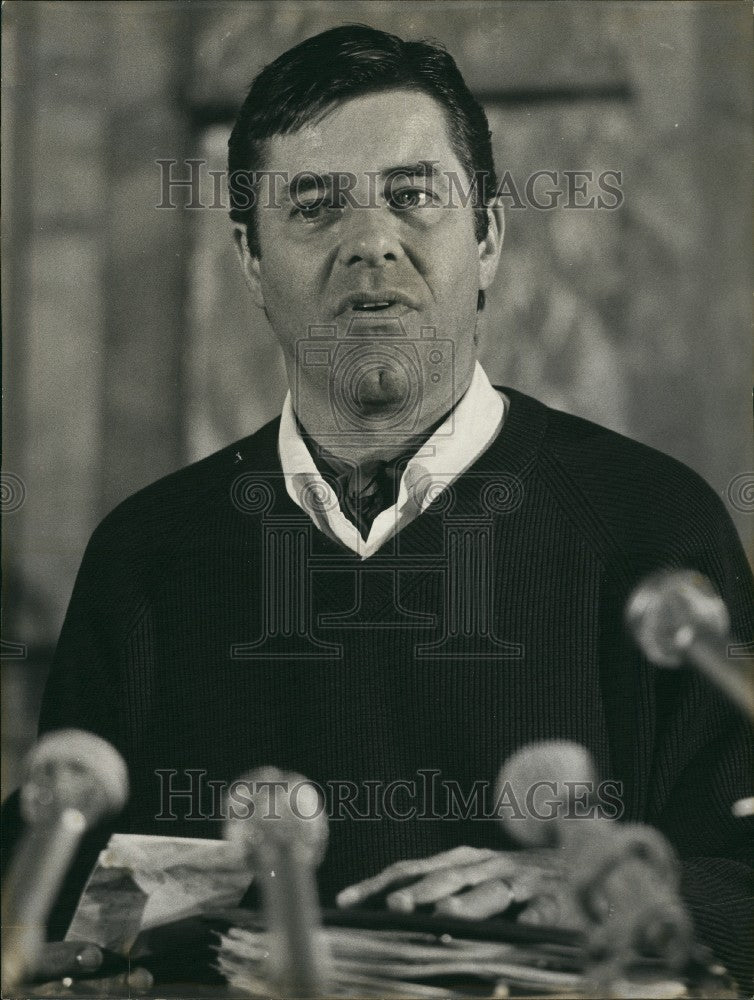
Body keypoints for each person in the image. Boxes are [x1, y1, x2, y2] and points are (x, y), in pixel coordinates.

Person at [5, 24, 752, 989]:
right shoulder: (144, 558)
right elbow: (54, 905)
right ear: (250, 260)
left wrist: (600, 894)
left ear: (485, 236)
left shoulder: (656, 530)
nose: (370, 244)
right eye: (315, 207)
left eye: (413, 197)